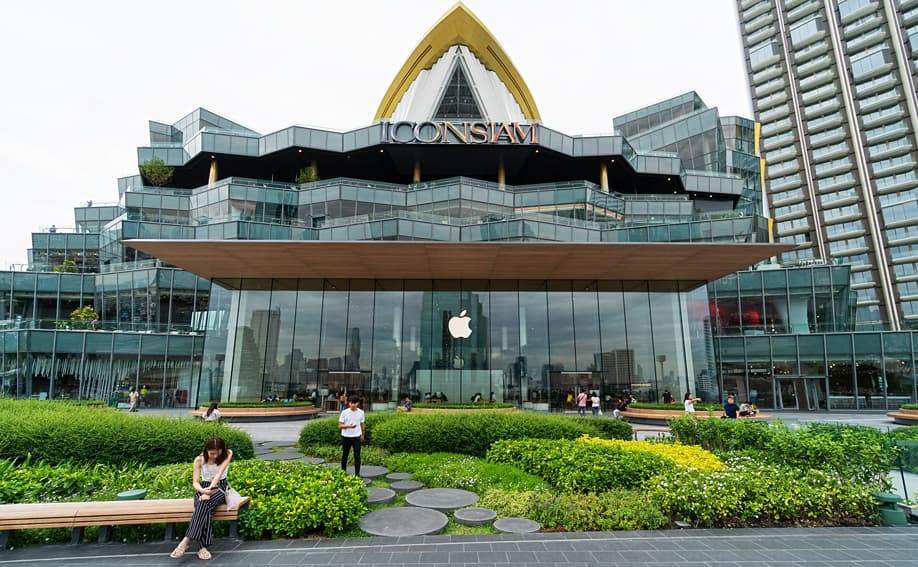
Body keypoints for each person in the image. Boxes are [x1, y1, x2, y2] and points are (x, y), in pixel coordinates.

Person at [170, 437, 234, 561]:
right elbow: (195, 482)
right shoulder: (199, 460)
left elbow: (219, 474)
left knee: (203, 504)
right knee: (204, 507)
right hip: (203, 488)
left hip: (220, 487)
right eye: (212, 453)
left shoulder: (228, 453)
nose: (215, 456)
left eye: (218, 452)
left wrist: (209, 491)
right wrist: (203, 491)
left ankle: (186, 541)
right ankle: (202, 547)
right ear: (206, 450)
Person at [338, 394, 365, 477]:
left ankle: (357, 474)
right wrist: (348, 426)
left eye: (354, 403)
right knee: (345, 455)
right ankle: (343, 472)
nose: (352, 405)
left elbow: (362, 424)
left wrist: (362, 435)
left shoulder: (361, 412)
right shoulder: (344, 412)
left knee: (357, 455)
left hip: (356, 436)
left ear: (358, 403)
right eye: (351, 403)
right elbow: (340, 425)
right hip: (346, 436)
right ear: (348, 403)